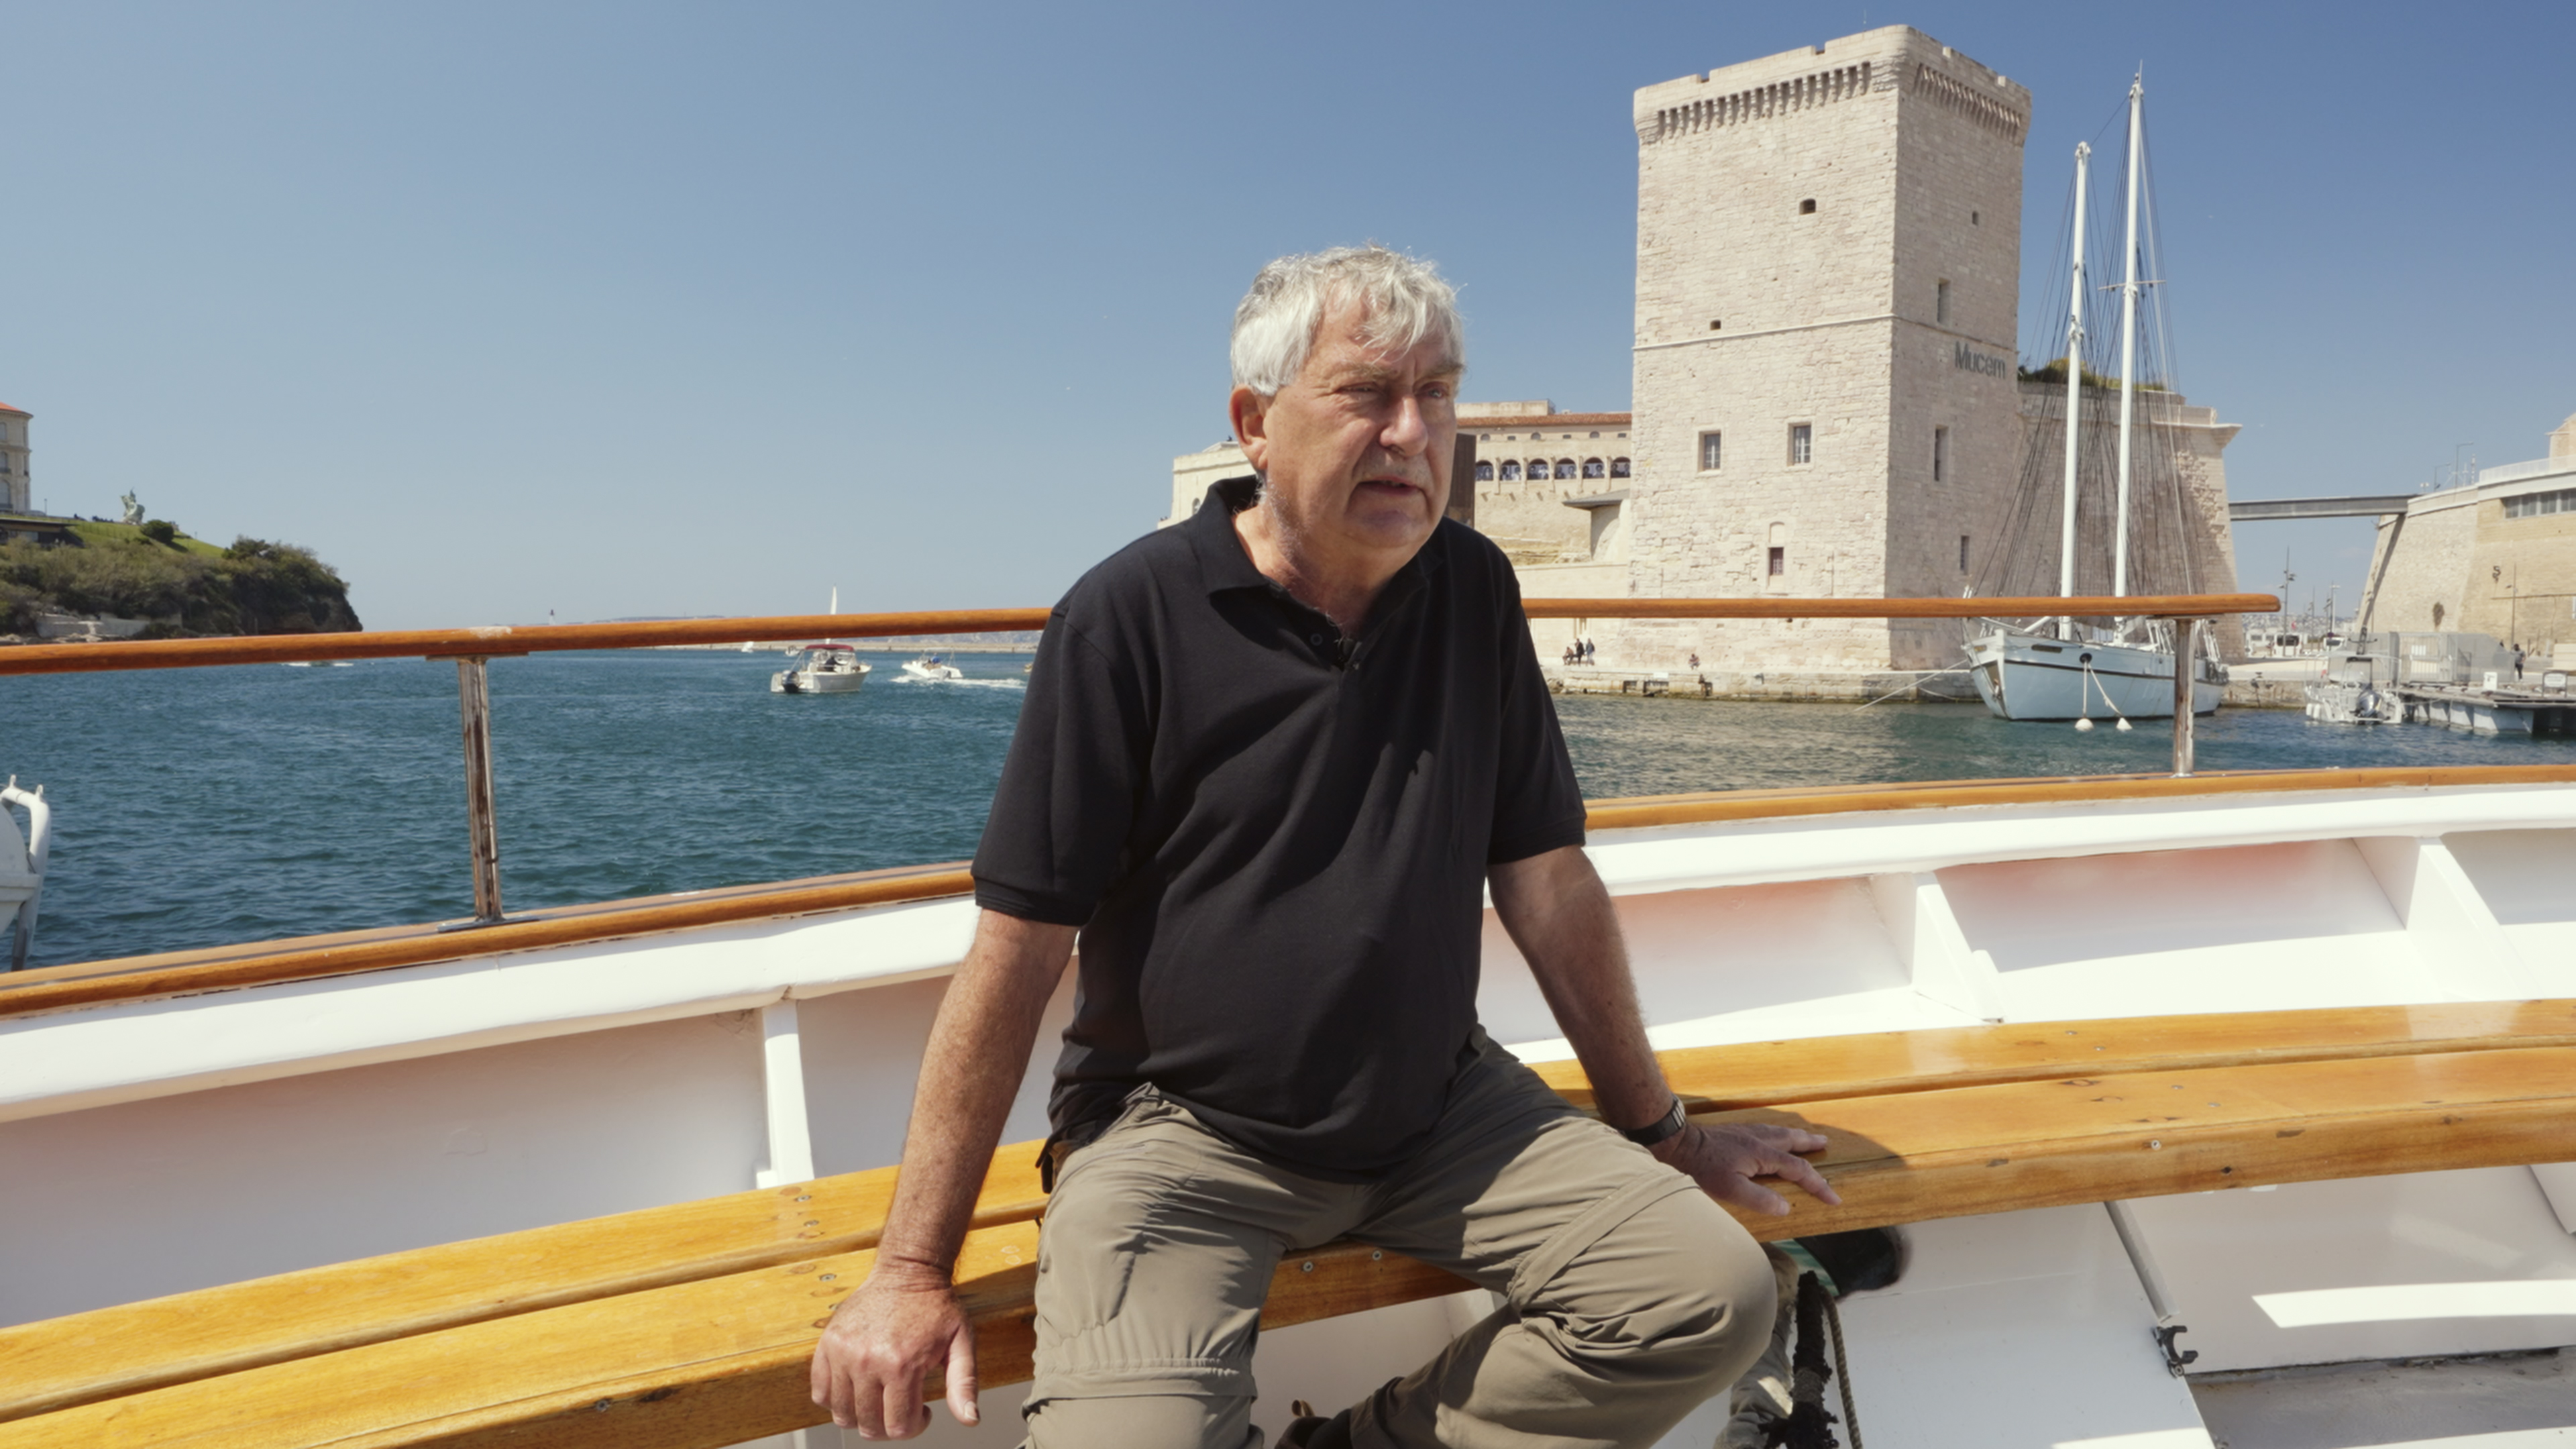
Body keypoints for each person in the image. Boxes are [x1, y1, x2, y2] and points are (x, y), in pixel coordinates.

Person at [808, 246, 1837, 1447]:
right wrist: (911, 1269)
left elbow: (1550, 882)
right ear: (1254, 425)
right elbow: (1019, 952)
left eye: (1438, 395)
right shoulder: (1127, 617)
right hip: (1179, 1136)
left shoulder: (1472, 591)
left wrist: (1666, 1133)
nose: (1413, 432)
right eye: (1367, 395)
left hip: (1437, 1106)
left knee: (1707, 1300)